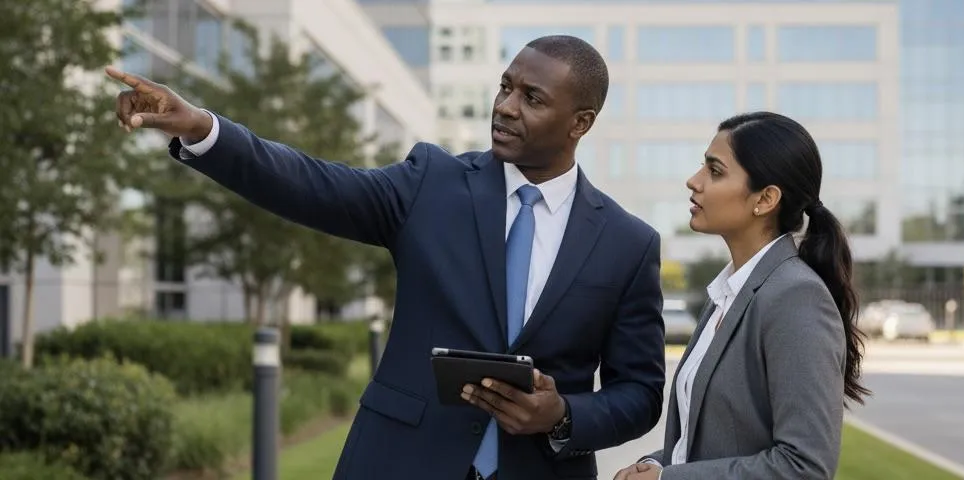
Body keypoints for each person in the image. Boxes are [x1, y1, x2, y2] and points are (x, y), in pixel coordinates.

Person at [107, 34, 665, 480]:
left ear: (581, 123)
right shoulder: (432, 182)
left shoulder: (627, 243)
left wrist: (563, 414)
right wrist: (205, 129)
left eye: (532, 98)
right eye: (505, 87)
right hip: (400, 459)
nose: (505, 107)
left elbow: (639, 394)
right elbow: (312, 184)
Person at [614, 112, 871, 480]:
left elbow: (805, 467)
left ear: (765, 199)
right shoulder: (727, 293)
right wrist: (656, 464)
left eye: (715, 171)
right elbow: (711, 442)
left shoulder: (795, 297)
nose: (694, 181)